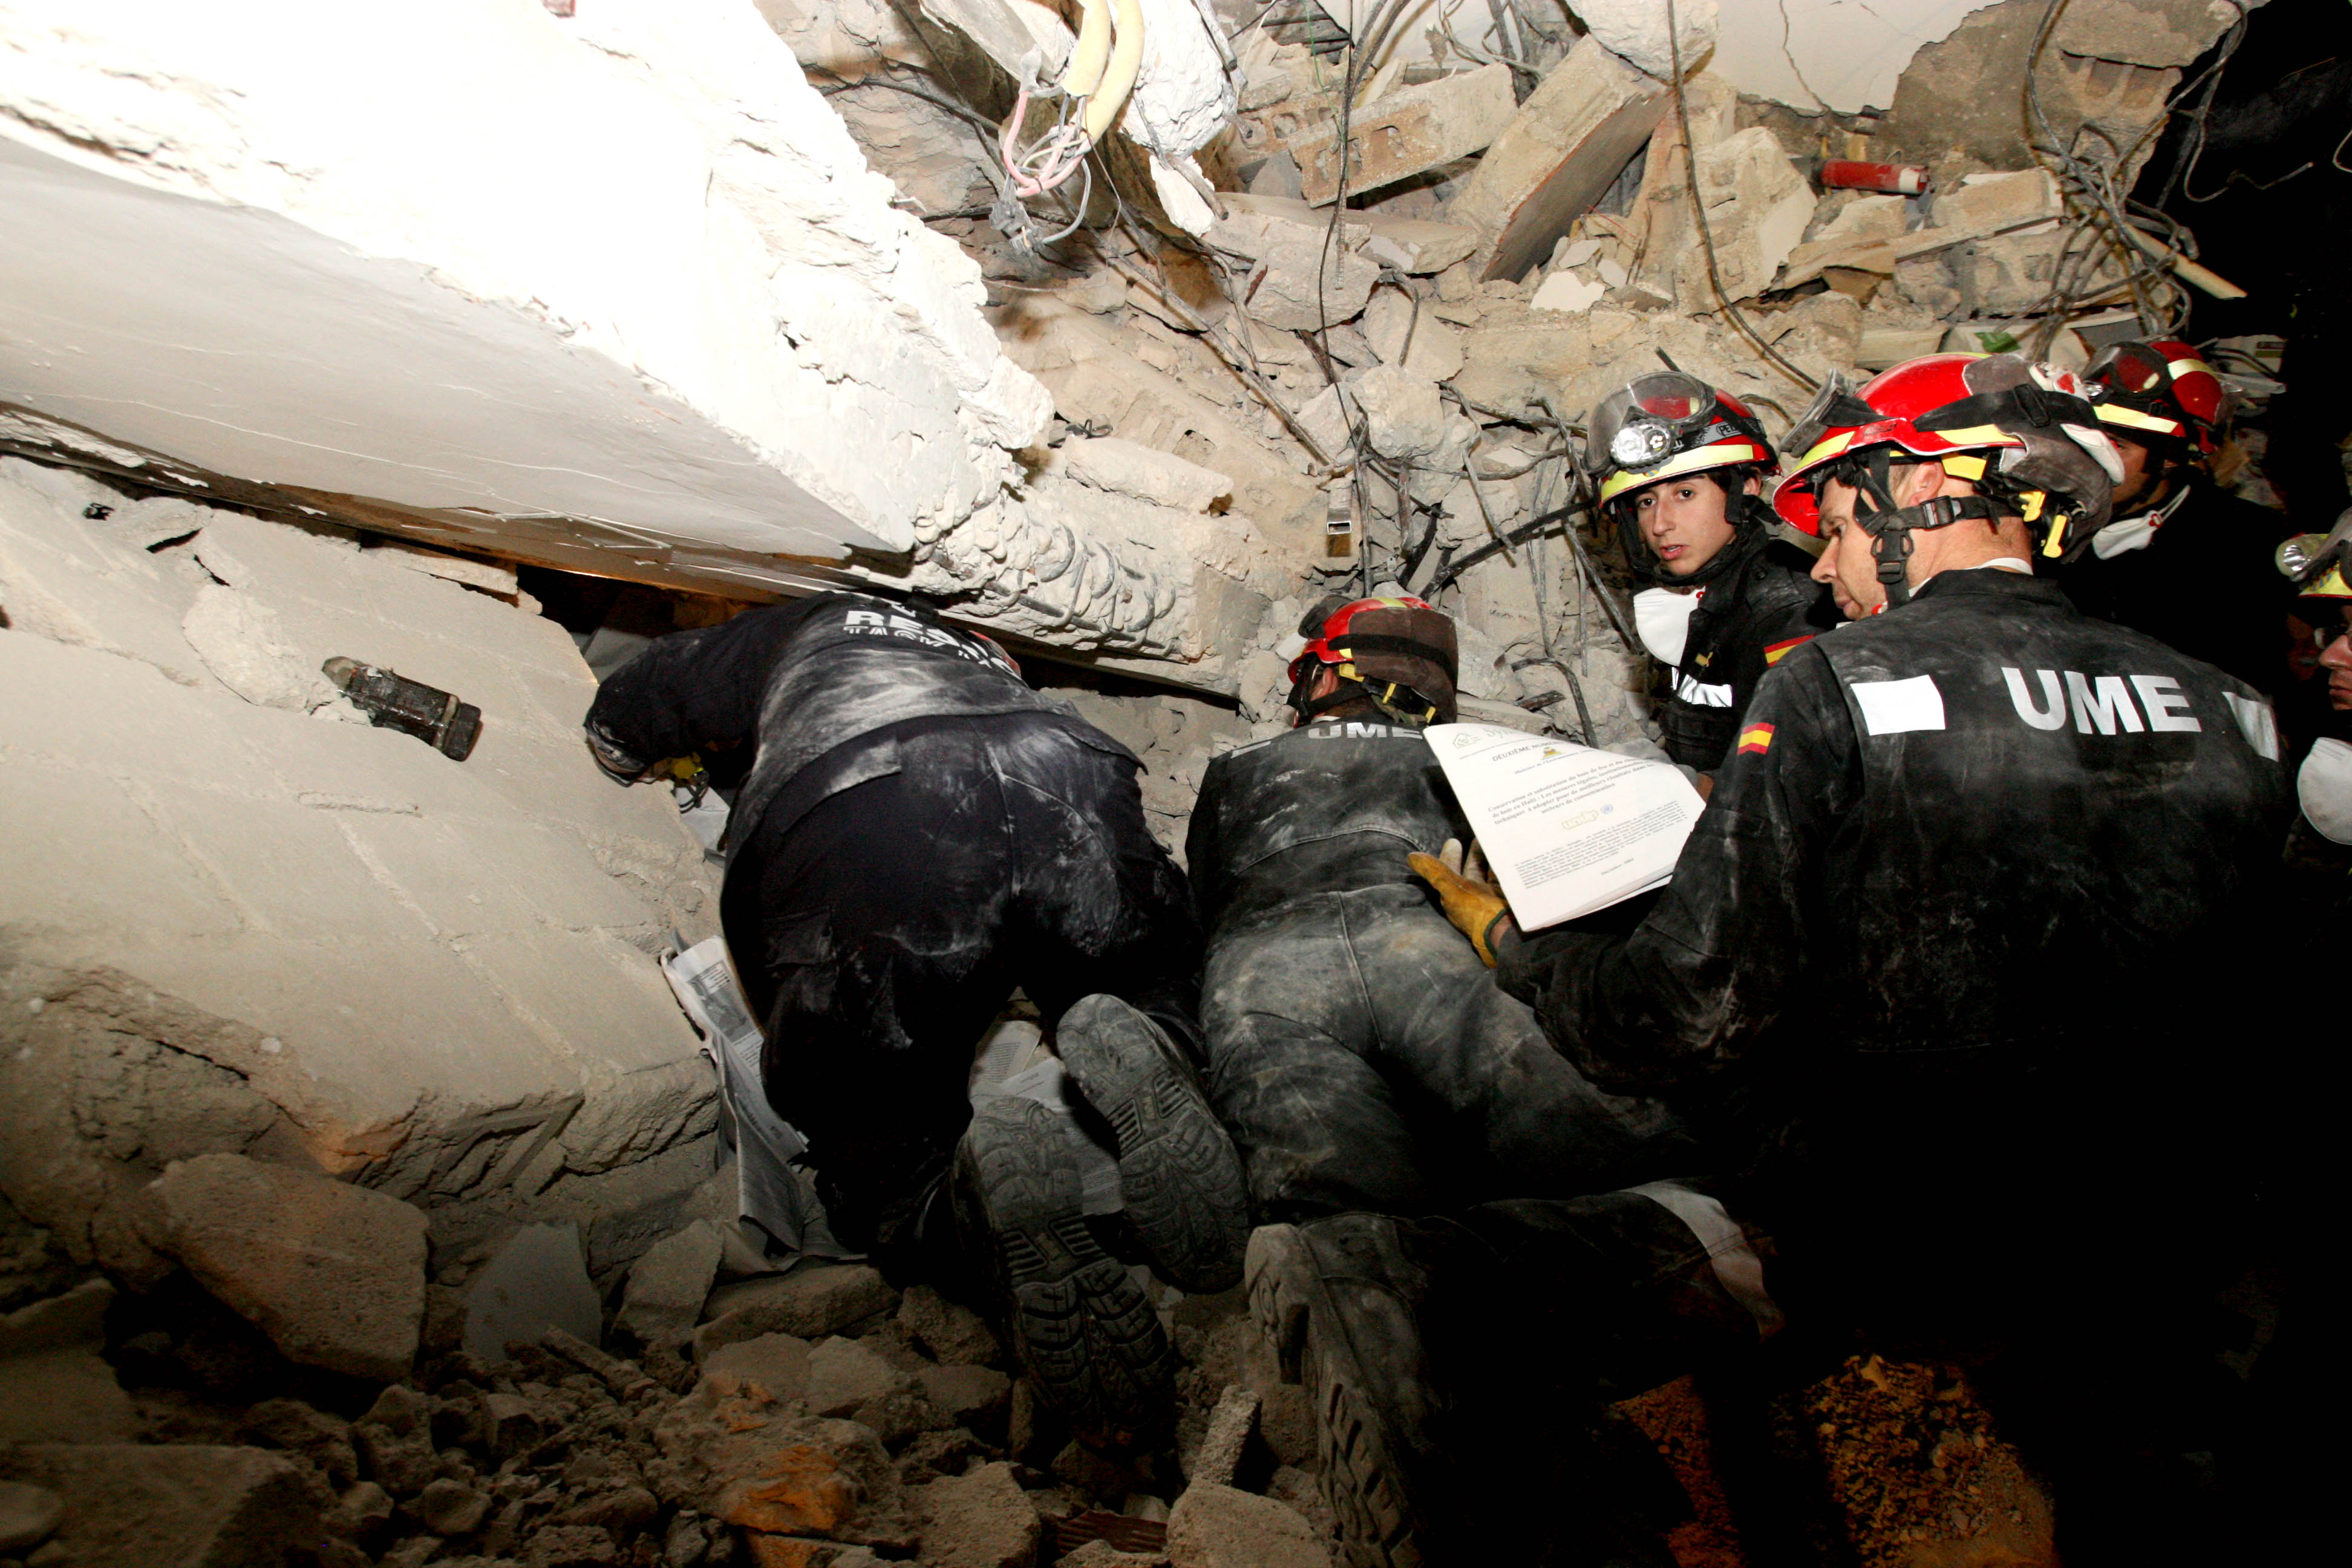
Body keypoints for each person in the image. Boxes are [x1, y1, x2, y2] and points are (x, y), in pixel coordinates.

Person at [1340, 353, 2291, 1565]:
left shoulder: (1840, 682)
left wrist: (1517, 947)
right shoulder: (2231, 704)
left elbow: (1680, 1012)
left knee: (1469, 1253)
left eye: (1838, 528)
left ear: (1927, 492)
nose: (1825, 571)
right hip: (2163, 1250)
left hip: (1918, 1244)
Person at [584, 590, 1247, 1448]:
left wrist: (618, 741)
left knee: (873, 1121)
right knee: (1146, 971)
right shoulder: (991, 663)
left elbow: (650, 694)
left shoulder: (813, 624)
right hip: (1065, 765)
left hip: (869, 791)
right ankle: (1153, 1038)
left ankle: (953, 1199)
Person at [1185, 594, 1692, 1225]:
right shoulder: (1473, 760)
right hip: (1426, 951)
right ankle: (1678, 1221)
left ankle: (1326, 1244)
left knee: (1330, 1205)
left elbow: (1203, 909)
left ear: (1325, 679)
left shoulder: (1231, 771)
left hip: (1261, 974)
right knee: (1592, 1144)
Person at [1587, 373, 1839, 779]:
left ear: (1747, 487)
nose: (1660, 524)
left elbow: (1800, 777)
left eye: (1685, 494)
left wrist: (1698, 790)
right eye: (1647, 501)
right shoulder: (1714, 592)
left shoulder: (1785, 610)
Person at [2054, 337, 2296, 690]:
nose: (2091, 458)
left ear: (2170, 456)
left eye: (2117, 445)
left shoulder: (2251, 543)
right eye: (2083, 437)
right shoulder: (2038, 521)